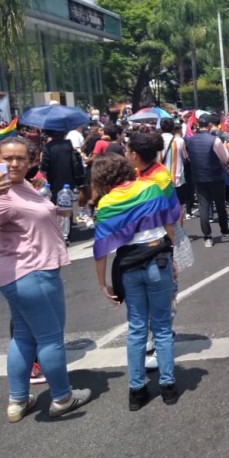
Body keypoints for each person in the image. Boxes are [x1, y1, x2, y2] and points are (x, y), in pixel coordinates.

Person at [0, 137, 92, 422]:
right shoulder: (2, 193)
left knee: (25, 338)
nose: (14, 163)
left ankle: (17, 400)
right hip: (32, 272)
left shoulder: (22, 186)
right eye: (7, 158)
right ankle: (62, 397)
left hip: (26, 272)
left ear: (31, 162)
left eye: (20, 158)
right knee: (50, 338)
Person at [92, 153, 181, 410]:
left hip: (129, 268)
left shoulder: (106, 203)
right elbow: (170, 227)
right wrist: (171, 257)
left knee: (136, 328)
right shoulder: (151, 189)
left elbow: (101, 250)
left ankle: (137, 389)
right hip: (158, 261)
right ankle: (168, 386)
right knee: (162, 327)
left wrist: (102, 284)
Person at [185, 114, 229, 248]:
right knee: (220, 206)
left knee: (204, 207)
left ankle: (207, 237)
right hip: (215, 176)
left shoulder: (190, 140)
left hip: (199, 177)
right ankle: (225, 232)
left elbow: (188, 157)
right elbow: (224, 158)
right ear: (209, 125)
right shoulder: (215, 140)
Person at [160, 118, 190, 223]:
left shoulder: (155, 140)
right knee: (178, 208)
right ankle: (178, 234)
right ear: (173, 128)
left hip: (160, 181)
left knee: (163, 208)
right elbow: (186, 158)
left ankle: (167, 234)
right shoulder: (180, 141)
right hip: (177, 179)